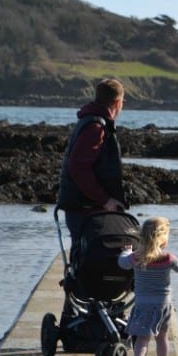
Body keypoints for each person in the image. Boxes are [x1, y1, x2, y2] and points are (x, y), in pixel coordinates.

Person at [118, 216, 178, 356]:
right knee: (162, 337)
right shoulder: (167, 258)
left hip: (142, 304)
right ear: (163, 239)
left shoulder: (137, 257)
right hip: (162, 305)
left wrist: (126, 251)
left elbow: (122, 263)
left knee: (142, 338)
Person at [57, 78, 128, 250]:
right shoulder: (95, 127)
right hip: (84, 208)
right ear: (118, 102)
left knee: (88, 260)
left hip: (84, 205)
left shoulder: (92, 121)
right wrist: (105, 200)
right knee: (86, 261)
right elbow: (78, 168)